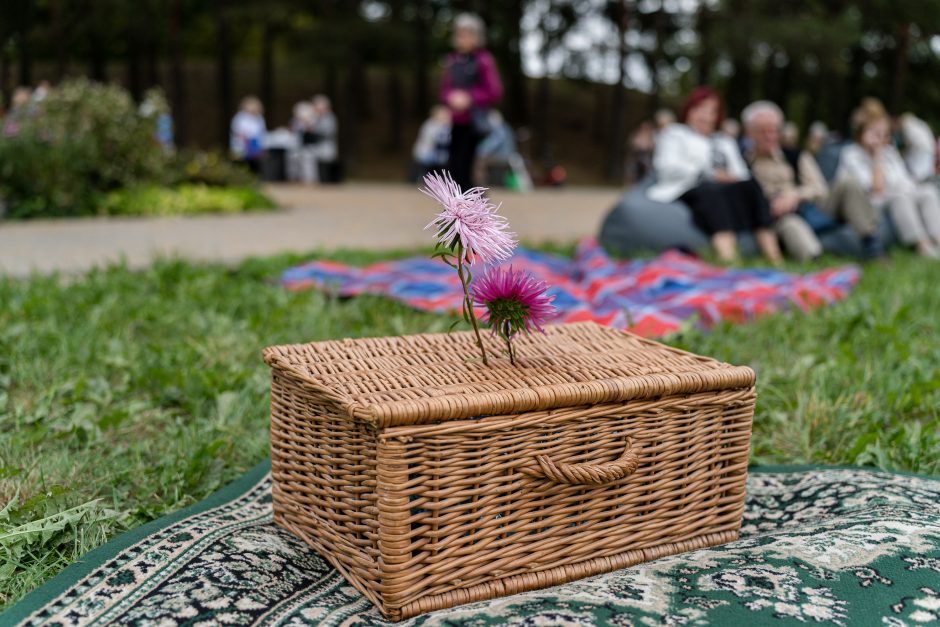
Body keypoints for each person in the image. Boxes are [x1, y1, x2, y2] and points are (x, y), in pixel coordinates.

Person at [647, 86, 782, 264]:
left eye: (711, 111)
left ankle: (774, 256)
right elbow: (667, 167)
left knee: (752, 186)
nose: (705, 116)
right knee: (712, 191)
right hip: (689, 187)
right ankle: (727, 256)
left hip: (727, 190)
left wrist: (731, 178)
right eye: (700, 109)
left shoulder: (725, 141)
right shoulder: (675, 134)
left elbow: (741, 173)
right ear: (689, 111)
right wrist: (710, 174)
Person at [743, 101, 883, 261]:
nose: (770, 136)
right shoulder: (741, 161)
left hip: (811, 208)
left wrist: (795, 194)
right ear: (749, 133)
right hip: (778, 216)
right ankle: (815, 261)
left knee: (848, 182)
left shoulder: (796, 156)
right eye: (763, 131)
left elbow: (819, 188)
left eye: (774, 131)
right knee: (790, 224)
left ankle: (872, 245)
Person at [838, 99, 940, 258]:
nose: (881, 139)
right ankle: (922, 246)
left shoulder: (890, 152)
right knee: (899, 198)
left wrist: (911, 190)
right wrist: (876, 156)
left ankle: (938, 241)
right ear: (862, 132)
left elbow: (905, 181)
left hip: (901, 194)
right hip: (873, 204)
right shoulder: (852, 155)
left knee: (927, 191)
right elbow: (876, 190)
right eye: (876, 133)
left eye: (884, 134)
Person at [439, 13, 503, 190]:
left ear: (476, 36)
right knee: (453, 167)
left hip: (475, 123)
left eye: (466, 34)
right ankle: (454, 208)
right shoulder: (452, 61)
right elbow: (444, 90)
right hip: (455, 122)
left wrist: (469, 97)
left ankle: (475, 211)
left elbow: (494, 91)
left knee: (469, 167)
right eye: (459, 33)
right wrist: (451, 98)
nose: (461, 38)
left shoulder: (483, 60)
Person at [473, 110, 515, 186]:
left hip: (502, 157)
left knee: (479, 161)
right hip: (506, 155)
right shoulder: (506, 127)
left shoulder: (499, 128)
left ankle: (480, 185)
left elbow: (494, 143)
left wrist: (480, 150)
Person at [411, 105, 451, 182]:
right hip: (427, 152)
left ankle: (441, 179)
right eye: (442, 114)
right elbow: (434, 139)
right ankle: (423, 178)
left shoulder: (447, 125)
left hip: (439, 153)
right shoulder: (430, 125)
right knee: (438, 160)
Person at [230, 96, 267, 173]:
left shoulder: (259, 118)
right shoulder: (240, 117)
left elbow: (262, 132)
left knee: (255, 165)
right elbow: (238, 131)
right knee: (241, 164)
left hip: (255, 145)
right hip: (242, 145)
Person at [896, 112, 936, 183]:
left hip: (920, 151)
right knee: (924, 170)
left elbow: (909, 142)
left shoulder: (908, 125)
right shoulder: (920, 124)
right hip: (928, 150)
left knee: (916, 173)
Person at [311, 95, 339, 183]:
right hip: (317, 145)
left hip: (326, 145)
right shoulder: (315, 117)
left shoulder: (330, 118)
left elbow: (328, 132)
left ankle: (326, 181)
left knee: (325, 163)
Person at [289, 101, 318, 184]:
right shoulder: (295, 121)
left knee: (309, 164)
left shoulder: (312, 120)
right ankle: (297, 178)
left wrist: (306, 123)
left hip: (309, 145)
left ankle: (310, 180)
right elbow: (294, 131)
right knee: (297, 163)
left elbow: (312, 131)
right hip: (298, 145)